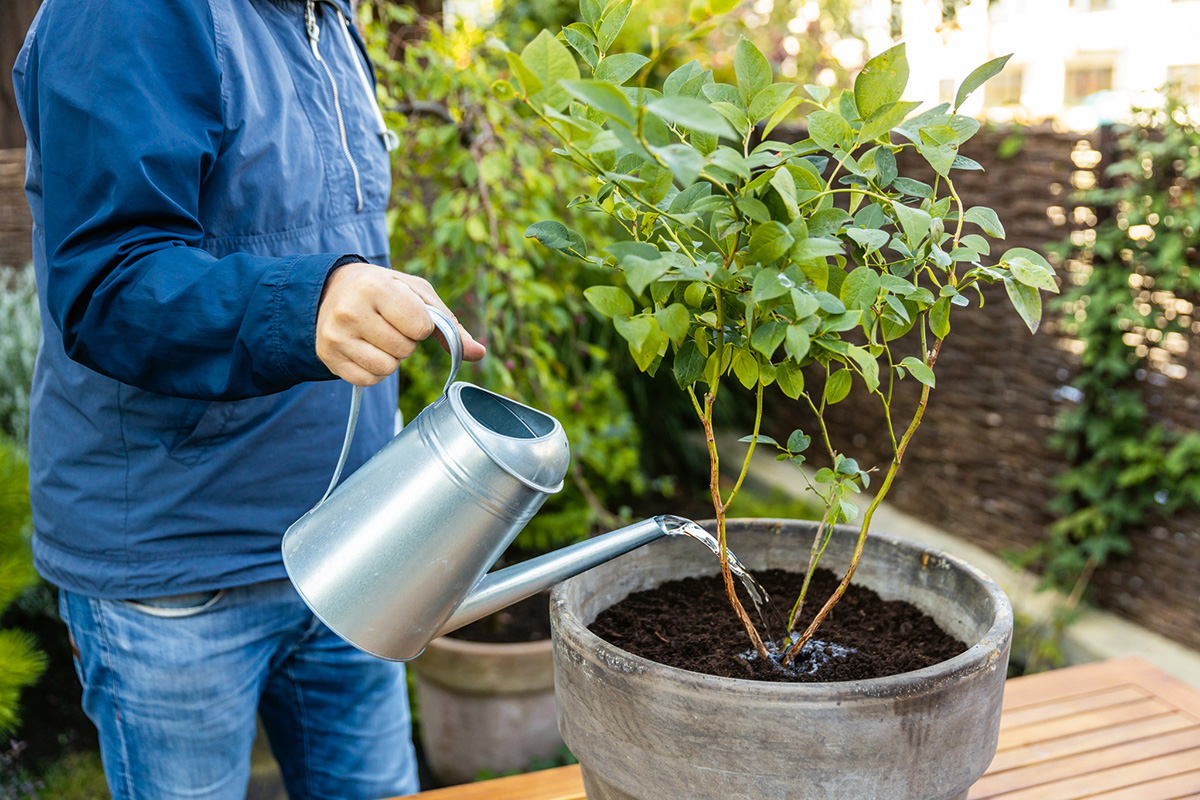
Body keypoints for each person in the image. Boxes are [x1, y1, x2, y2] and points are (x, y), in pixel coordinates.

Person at [12, 0, 485, 797]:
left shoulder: (326, 20)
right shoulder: (127, 14)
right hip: (181, 568)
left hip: (354, 551)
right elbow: (108, 283)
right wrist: (308, 304)